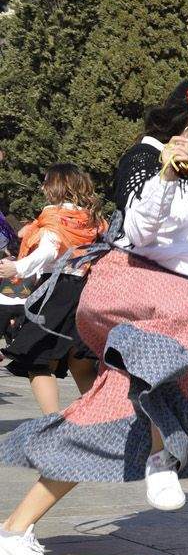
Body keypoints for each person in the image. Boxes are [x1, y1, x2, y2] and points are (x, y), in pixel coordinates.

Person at [1, 78, 188, 555]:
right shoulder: (146, 157)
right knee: (186, 310)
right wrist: (165, 178)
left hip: (161, 293)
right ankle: (161, 458)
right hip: (130, 287)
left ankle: (14, 530)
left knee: (108, 415)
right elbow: (141, 232)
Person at [0, 164, 107, 415]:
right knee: (79, 362)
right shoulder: (92, 218)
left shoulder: (54, 215)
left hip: (55, 290)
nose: (42, 187)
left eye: (46, 182)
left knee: (35, 360)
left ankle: (52, 422)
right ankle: (101, 418)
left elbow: (49, 250)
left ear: (57, 185)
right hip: (84, 290)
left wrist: (16, 268)